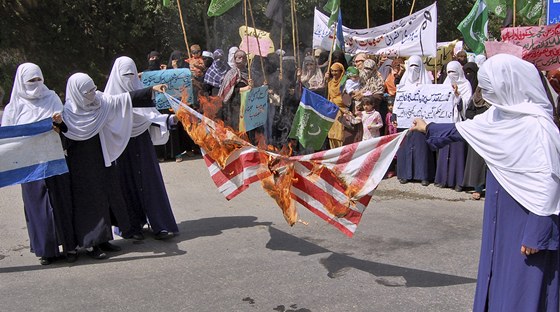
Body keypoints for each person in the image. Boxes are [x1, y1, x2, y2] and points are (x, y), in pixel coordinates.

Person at [410, 54, 560, 312]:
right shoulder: (499, 116)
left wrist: (538, 232)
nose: (486, 92)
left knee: (522, 285)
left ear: (510, 84)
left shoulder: (538, 128)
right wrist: (428, 128)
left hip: (526, 221)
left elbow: (549, 182)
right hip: (500, 213)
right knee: (496, 272)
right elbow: (465, 129)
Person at [62, 72, 167, 259]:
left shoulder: (100, 103)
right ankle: (90, 244)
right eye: (88, 92)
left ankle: (103, 239)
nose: (93, 94)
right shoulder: (68, 114)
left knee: (105, 197)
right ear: (77, 93)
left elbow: (123, 99)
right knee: (88, 202)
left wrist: (150, 90)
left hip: (102, 158)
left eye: (94, 89)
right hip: (81, 167)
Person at [2, 63, 77, 265]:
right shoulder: (14, 107)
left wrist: (58, 122)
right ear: (21, 82)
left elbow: (66, 127)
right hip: (29, 165)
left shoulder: (51, 98)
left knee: (61, 201)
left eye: (38, 79)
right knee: (37, 205)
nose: (36, 84)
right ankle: (47, 250)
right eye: (30, 81)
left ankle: (69, 246)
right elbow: (8, 138)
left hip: (54, 160)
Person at [104, 56, 178, 240]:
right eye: (125, 75)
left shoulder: (140, 93)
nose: (129, 78)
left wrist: (170, 119)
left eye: (131, 74)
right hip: (120, 145)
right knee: (125, 185)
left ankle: (160, 224)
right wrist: (151, 89)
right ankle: (131, 227)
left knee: (151, 182)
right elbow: (120, 107)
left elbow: (151, 116)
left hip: (141, 143)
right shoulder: (110, 98)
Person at [396, 55, 435, 186]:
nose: (414, 69)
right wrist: (396, 117)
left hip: (421, 123)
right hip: (404, 122)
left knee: (422, 148)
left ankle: (423, 175)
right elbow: (397, 103)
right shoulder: (403, 85)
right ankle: (404, 174)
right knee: (405, 147)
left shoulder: (427, 85)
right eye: (411, 66)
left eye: (416, 67)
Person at [434, 61, 472, 191]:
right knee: (444, 149)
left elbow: (466, 104)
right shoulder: (445, 84)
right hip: (446, 121)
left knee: (457, 151)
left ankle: (458, 181)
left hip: (459, 122)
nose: (451, 75)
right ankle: (443, 179)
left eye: (453, 72)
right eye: (448, 72)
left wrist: (457, 95)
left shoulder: (466, 85)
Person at [218, 49, 251, 131]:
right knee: (236, 127)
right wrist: (242, 89)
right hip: (235, 105)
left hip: (247, 105)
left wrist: (252, 84)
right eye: (237, 57)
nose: (240, 59)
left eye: (242, 57)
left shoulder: (249, 73)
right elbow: (227, 92)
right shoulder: (231, 73)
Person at [326, 62, 347, 149]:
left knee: (340, 133)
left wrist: (335, 101)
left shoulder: (344, 82)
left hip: (341, 110)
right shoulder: (330, 83)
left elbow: (345, 98)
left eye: (336, 71)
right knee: (331, 133)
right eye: (332, 71)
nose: (334, 73)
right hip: (331, 111)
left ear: (341, 71)